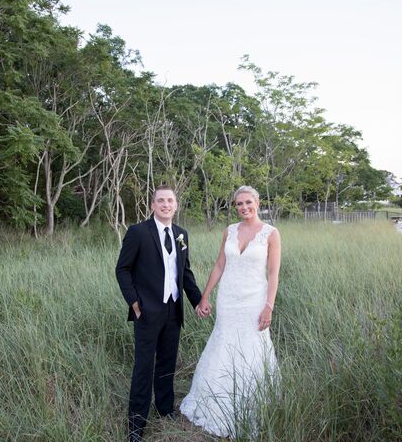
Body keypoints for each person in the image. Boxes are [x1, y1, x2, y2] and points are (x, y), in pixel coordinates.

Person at [180, 185, 281, 438]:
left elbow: (273, 273)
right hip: (228, 299)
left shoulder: (271, 233)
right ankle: (214, 399)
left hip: (254, 300)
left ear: (257, 202)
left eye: (248, 202)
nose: (244, 207)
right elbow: (219, 265)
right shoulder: (230, 231)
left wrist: (269, 305)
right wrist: (204, 296)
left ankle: (252, 403)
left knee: (252, 346)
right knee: (223, 343)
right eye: (239, 204)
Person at [116, 185, 203, 442]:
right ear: (153, 205)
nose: (166, 204)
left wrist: (198, 301)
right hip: (146, 311)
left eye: (170, 201)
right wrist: (133, 301)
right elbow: (122, 269)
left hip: (173, 309)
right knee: (143, 367)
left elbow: (184, 273)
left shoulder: (181, 234)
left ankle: (164, 409)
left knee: (167, 363)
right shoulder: (138, 232)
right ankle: (136, 425)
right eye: (161, 200)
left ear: (176, 205)